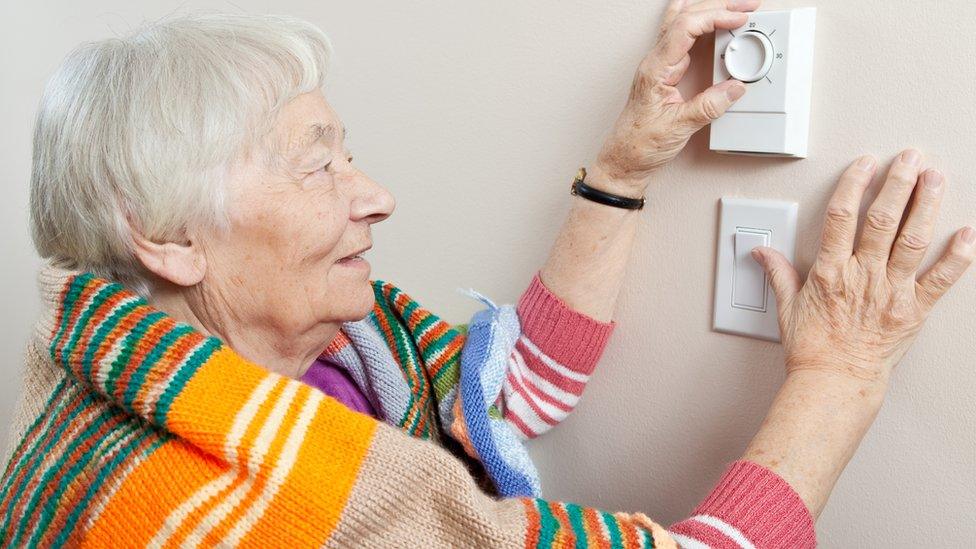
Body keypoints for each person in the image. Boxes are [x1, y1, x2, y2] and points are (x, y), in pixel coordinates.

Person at [3, 1, 973, 547]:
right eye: (318, 165)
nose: (375, 194)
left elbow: (505, 391)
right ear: (164, 236)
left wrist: (622, 170)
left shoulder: (332, 352)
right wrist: (840, 378)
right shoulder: (209, 517)